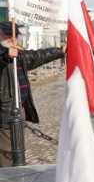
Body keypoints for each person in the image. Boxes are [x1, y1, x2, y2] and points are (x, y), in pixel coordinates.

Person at [0, 21, 67, 166]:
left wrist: (61, 51)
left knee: (17, 153)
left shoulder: (19, 55)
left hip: (19, 111)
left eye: (15, 34)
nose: (12, 37)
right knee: (7, 158)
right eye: (7, 33)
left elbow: (39, 55)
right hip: (4, 115)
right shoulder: (4, 54)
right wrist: (5, 57)